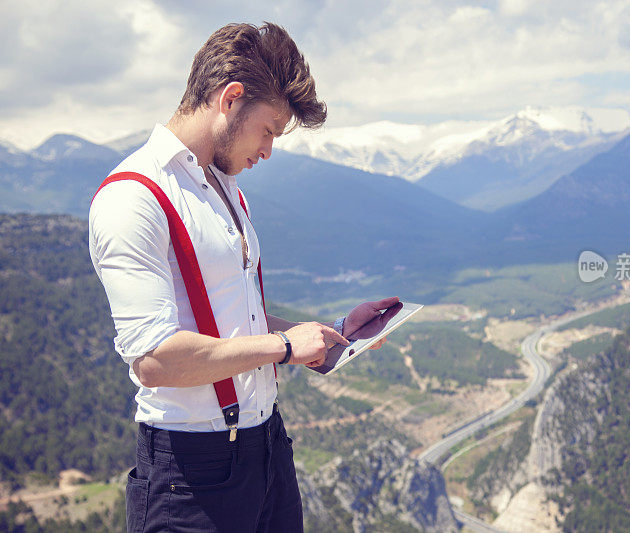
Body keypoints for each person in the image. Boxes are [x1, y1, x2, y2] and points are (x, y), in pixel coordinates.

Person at [88, 22, 399, 532]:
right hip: (191, 474)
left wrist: (329, 336)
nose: (268, 151)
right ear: (230, 99)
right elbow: (155, 360)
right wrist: (282, 347)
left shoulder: (224, 188)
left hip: (267, 448)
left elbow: (237, 318)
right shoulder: (133, 197)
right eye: (270, 130)